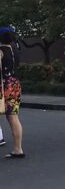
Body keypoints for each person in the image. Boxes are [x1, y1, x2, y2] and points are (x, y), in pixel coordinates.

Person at [0, 26, 24, 158]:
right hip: (15, 84)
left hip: (4, 86)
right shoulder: (15, 50)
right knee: (13, 116)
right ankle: (18, 148)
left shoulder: (1, 51)